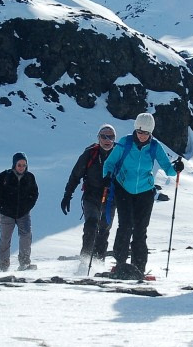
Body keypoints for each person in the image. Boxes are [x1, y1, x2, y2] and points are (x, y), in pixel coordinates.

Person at [100, 112, 180, 278]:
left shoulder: (155, 147)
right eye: (139, 132)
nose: (142, 135)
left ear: (151, 133)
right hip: (123, 189)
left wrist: (177, 168)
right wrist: (107, 176)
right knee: (125, 225)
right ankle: (120, 263)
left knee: (140, 230)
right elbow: (109, 163)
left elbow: (168, 169)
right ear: (135, 129)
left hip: (145, 192)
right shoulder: (125, 142)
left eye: (146, 133)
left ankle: (139, 267)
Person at [61, 124, 117, 274]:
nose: (107, 140)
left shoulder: (119, 154)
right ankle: (84, 263)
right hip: (91, 197)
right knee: (91, 226)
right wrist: (68, 195)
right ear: (98, 138)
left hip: (110, 198)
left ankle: (98, 264)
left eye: (110, 137)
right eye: (104, 136)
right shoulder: (90, 154)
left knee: (104, 230)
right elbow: (75, 175)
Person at [0, 152, 39, 271]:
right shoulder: (5, 176)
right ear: (14, 164)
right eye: (19, 165)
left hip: (23, 214)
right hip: (7, 214)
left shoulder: (30, 177)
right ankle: (3, 265)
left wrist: (28, 206)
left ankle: (24, 263)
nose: (22, 167)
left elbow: (34, 194)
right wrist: (2, 208)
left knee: (26, 236)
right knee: (5, 239)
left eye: (24, 165)